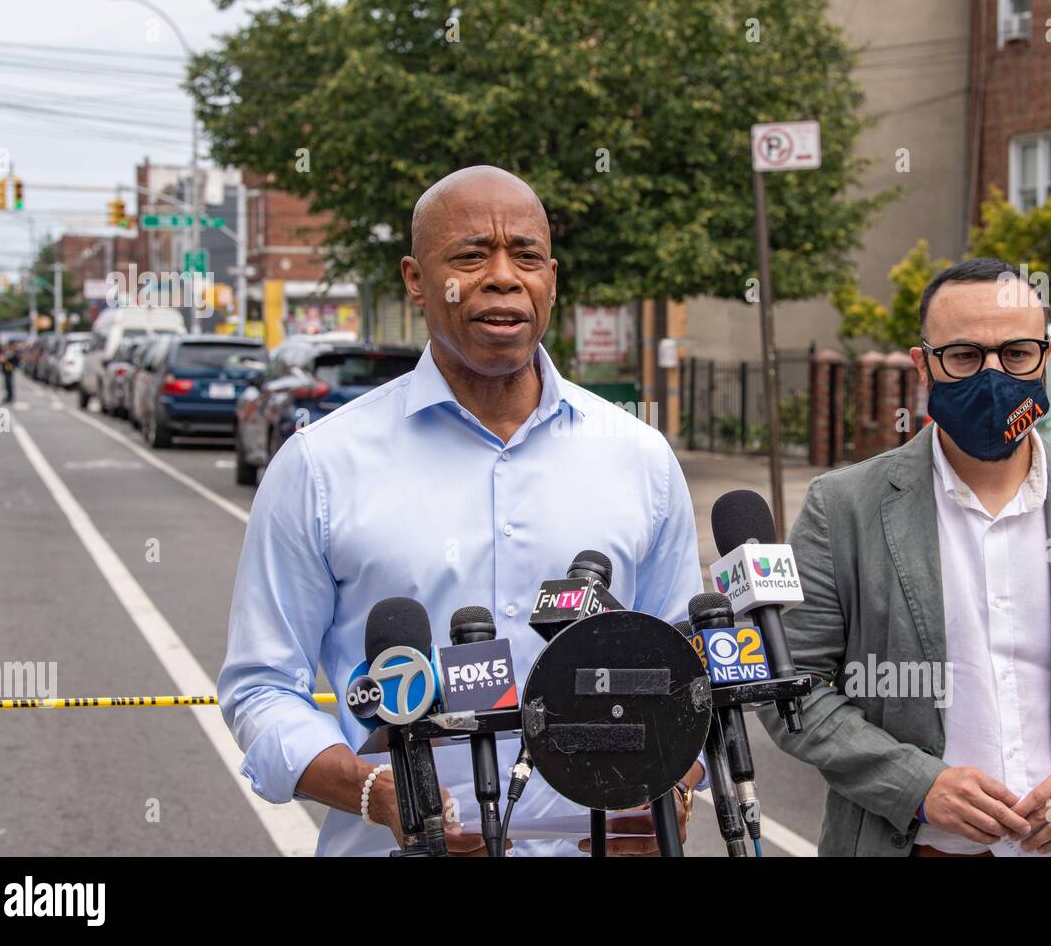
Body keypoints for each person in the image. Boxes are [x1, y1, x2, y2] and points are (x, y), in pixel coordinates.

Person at [219, 165, 705, 856]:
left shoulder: (640, 459)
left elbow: (692, 674)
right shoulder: (320, 466)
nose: (504, 277)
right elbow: (262, 687)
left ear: (552, 279)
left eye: (526, 256)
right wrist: (375, 793)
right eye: (472, 254)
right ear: (416, 278)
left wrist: (673, 789)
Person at [762, 257, 1051, 856]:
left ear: (1045, 358)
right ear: (923, 366)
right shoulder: (843, 509)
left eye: (1016, 353)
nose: (994, 375)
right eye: (965, 356)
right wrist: (917, 784)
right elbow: (791, 688)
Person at [0, 338, 18, 404]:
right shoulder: (9, 351)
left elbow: (4, 359)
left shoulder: (12, 351)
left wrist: (4, 358)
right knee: (7, 383)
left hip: (9, 368)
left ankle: (10, 397)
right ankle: (9, 396)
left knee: (9, 383)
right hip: (7, 368)